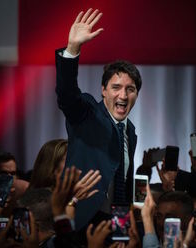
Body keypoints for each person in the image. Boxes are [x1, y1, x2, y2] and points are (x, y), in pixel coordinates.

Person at [55, 8, 142, 230]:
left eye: (130, 89)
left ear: (136, 94)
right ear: (103, 90)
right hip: (80, 220)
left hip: (115, 227)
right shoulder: (87, 114)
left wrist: (123, 228)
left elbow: (122, 182)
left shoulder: (130, 132)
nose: (123, 95)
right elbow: (67, 95)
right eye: (116, 87)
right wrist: (72, 49)